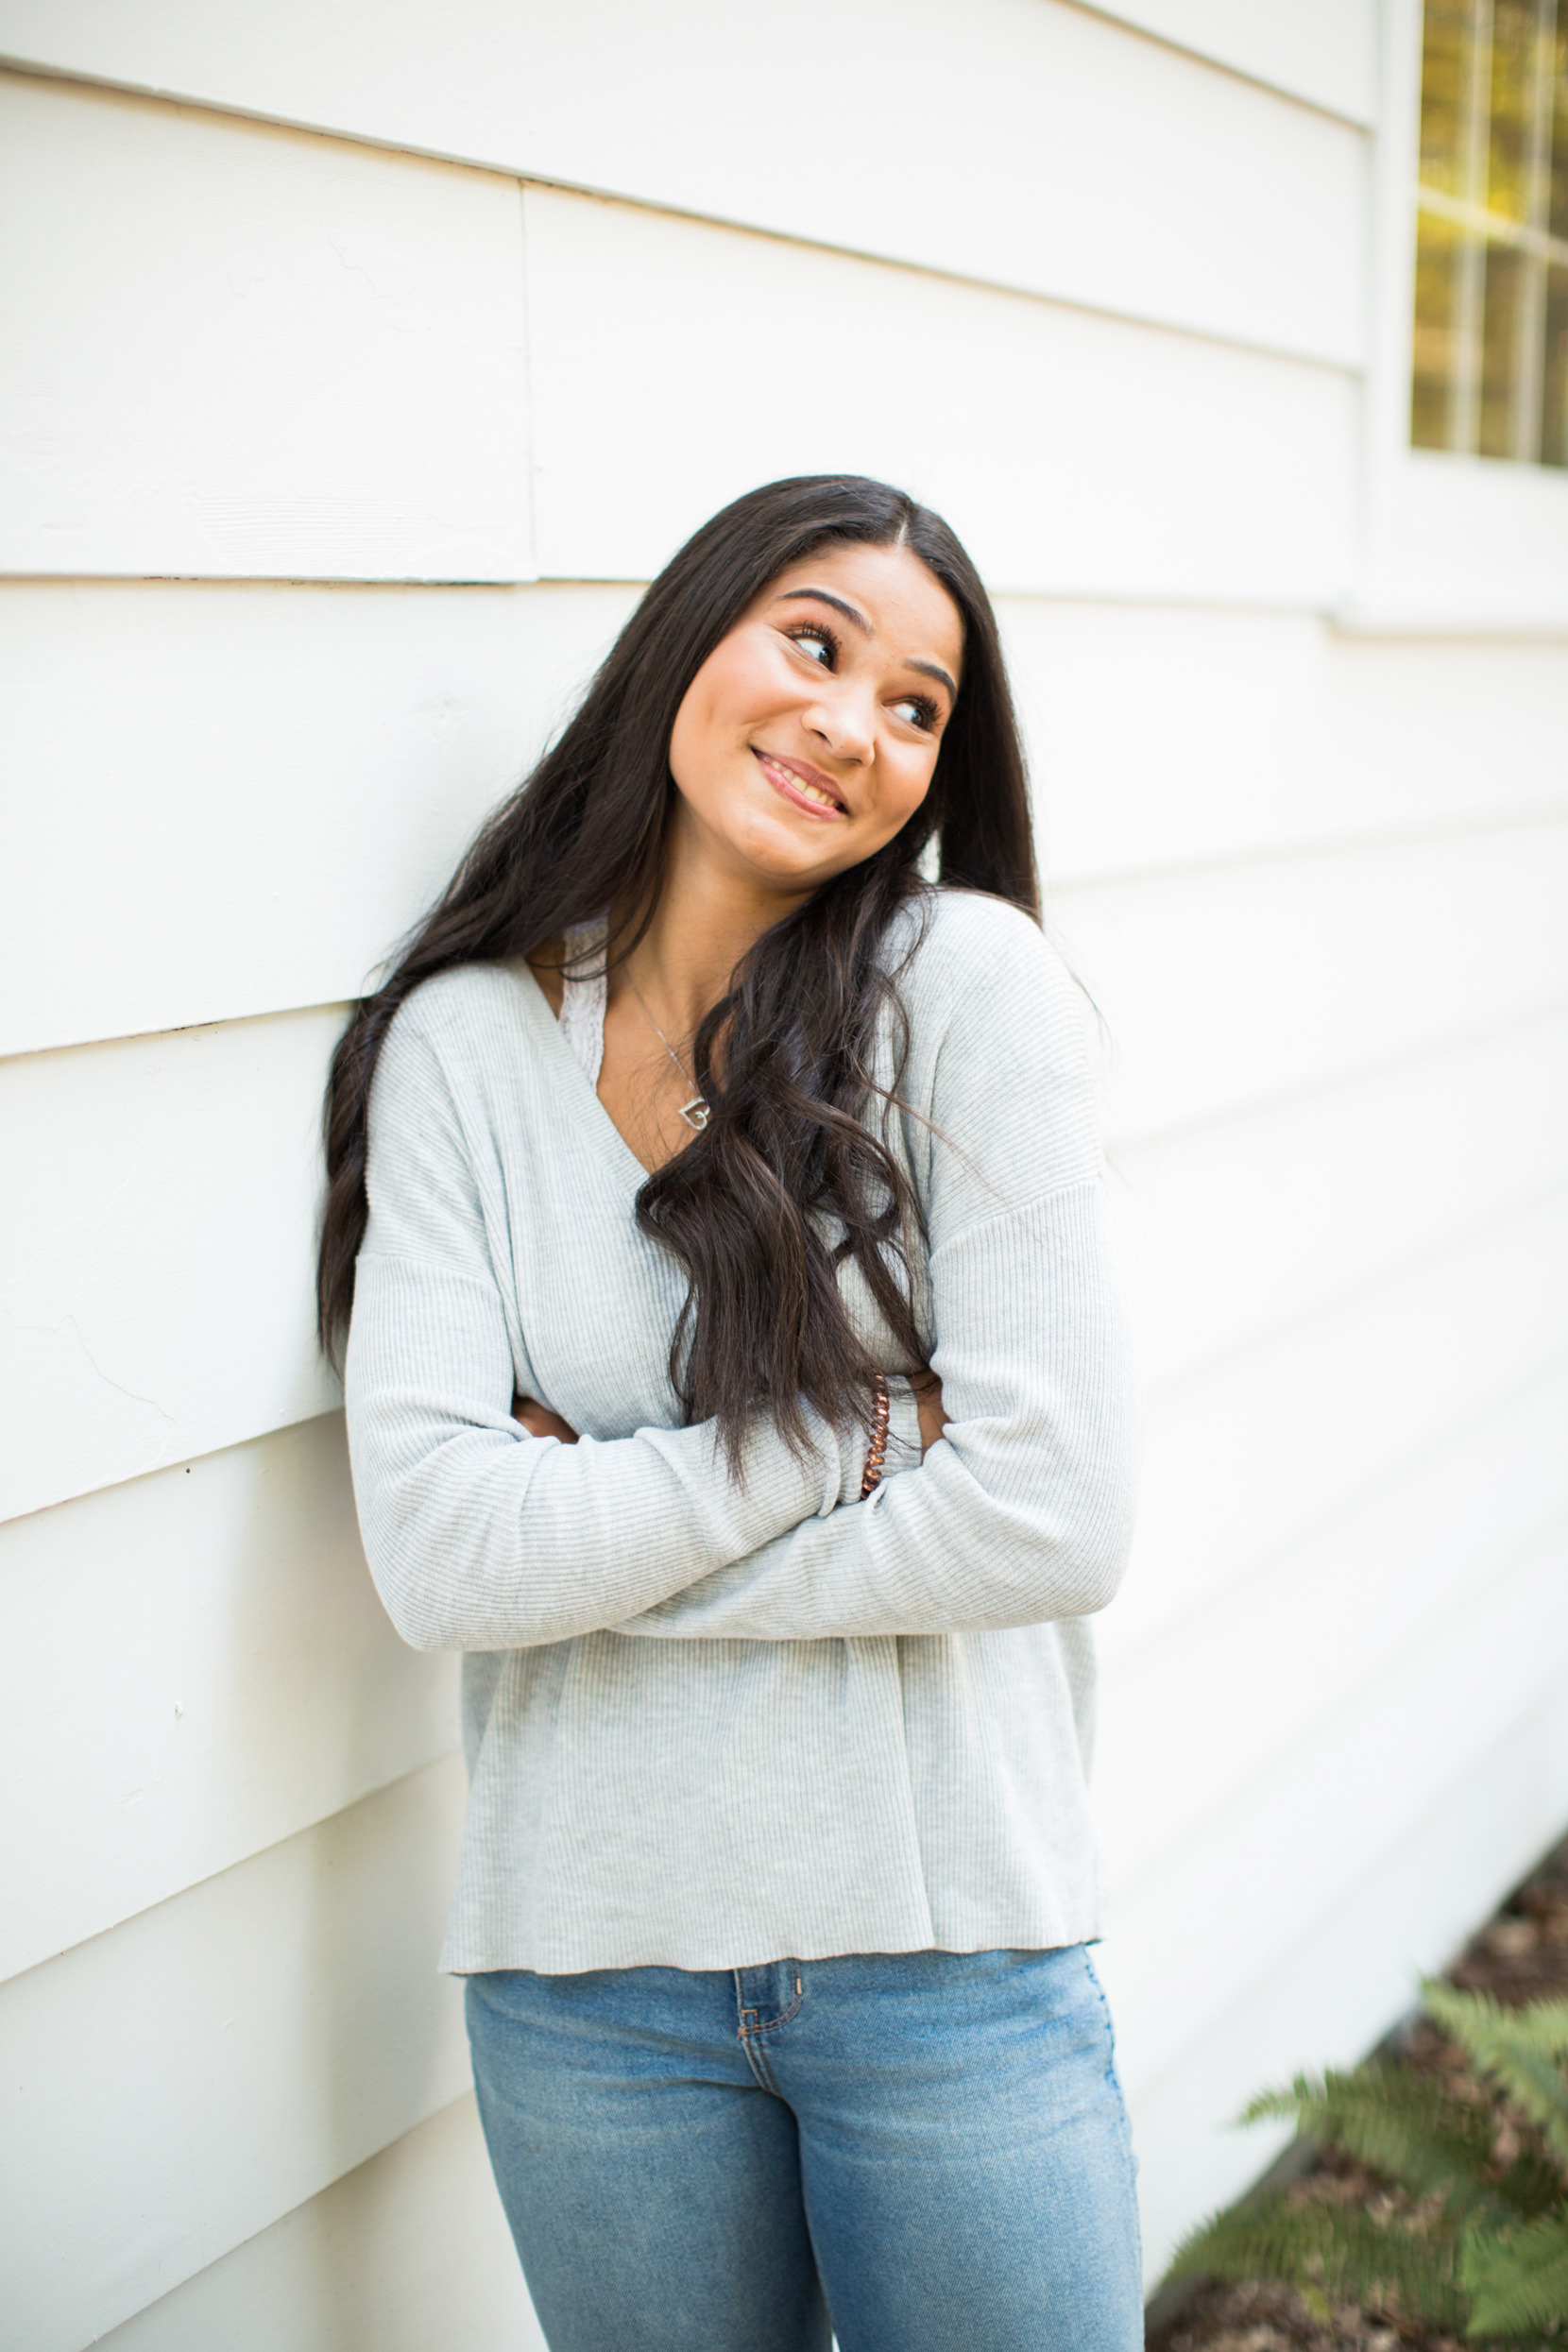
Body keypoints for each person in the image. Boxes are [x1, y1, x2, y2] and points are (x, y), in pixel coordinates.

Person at [319, 474, 1142, 2352]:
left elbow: (1053, 1515)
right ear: (692, 634)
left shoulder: (962, 993)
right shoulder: (461, 1046)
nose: (851, 725)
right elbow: (445, 1556)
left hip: (943, 1959)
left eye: (917, 705)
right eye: (815, 641)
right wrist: (854, 1445)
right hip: (582, 1981)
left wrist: (595, 1545)